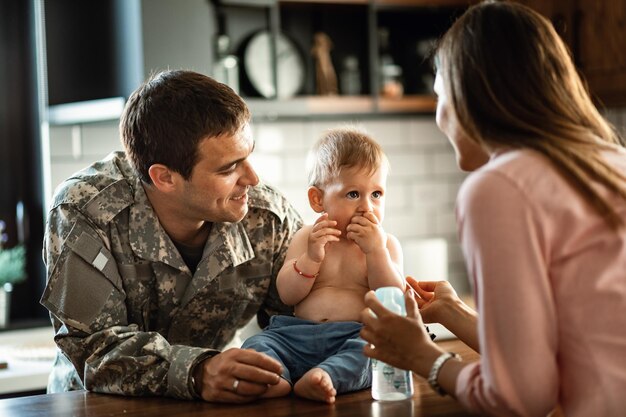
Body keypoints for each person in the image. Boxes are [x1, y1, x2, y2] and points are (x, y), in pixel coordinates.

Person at [359, 1, 626, 416]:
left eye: (439, 96)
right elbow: (563, 354)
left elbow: (521, 398)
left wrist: (421, 356)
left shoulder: (498, 187)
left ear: (467, 96)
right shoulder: (613, 161)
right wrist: (454, 313)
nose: (440, 116)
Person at [40, 70, 303, 403]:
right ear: (164, 178)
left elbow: (305, 320)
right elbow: (94, 347)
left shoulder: (267, 217)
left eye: (248, 155)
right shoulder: (85, 211)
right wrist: (199, 371)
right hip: (94, 408)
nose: (252, 177)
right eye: (228, 168)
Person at [242, 127, 404, 404]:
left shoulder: (385, 245)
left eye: (376, 194)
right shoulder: (306, 237)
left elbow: (393, 298)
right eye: (353, 194)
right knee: (257, 344)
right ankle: (275, 377)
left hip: (354, 335)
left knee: (373, 353)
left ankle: (325, 377)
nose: (367, 207)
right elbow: (288, 295)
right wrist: (311, 258)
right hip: (294, 335)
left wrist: (375, 252)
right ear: (318, 199)